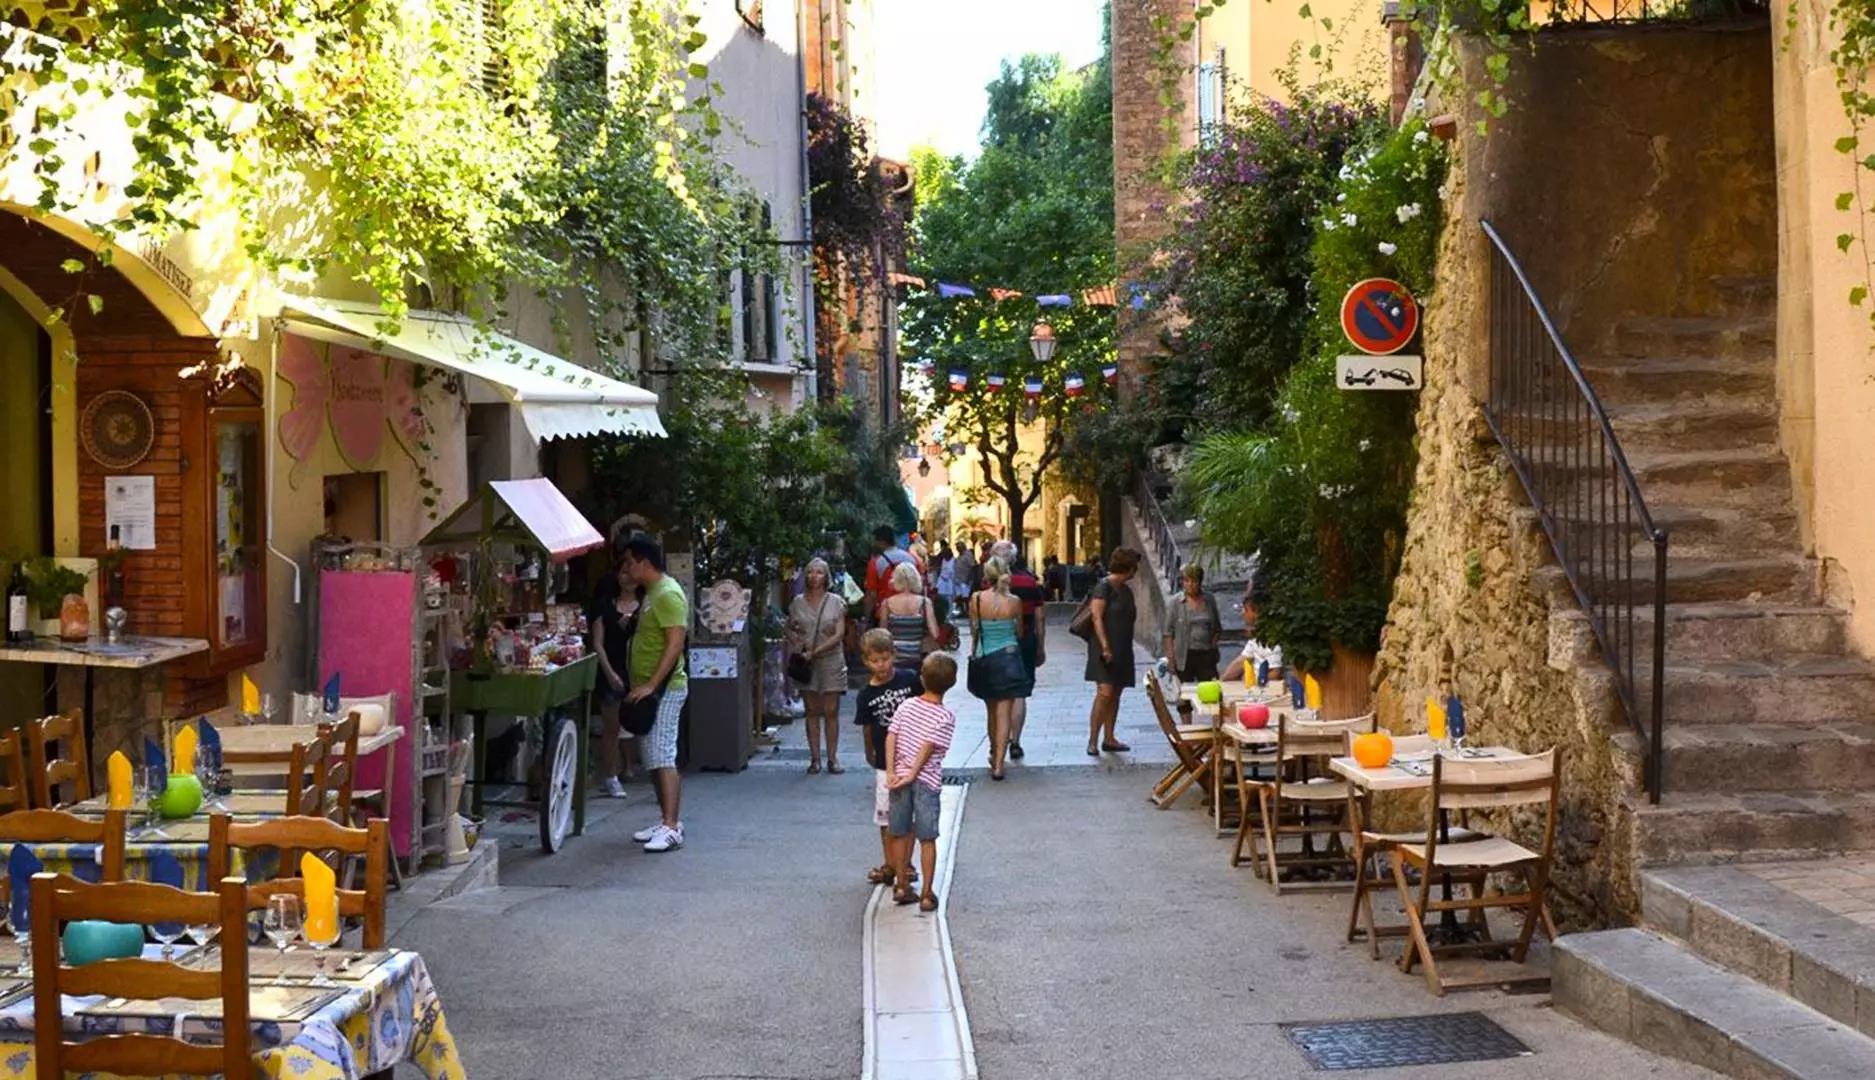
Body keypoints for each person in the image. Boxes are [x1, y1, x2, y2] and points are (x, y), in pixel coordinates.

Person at [621, 536, 690, 853]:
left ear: (643, 562)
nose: (626, 568)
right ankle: (665, 819)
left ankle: (672, 825)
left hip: (665, 689)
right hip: (649, 688)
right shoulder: (653, 593)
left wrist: (652, 684)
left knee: (662, 754)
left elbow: (675, 644)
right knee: (652, 755)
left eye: (629, 562)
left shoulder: (667, 594)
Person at [886, 651, 958, 912]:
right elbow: (929, 746)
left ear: (922, 678)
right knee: (927, 838)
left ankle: (901, 884)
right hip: (926, 781)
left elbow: (891, 736)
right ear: (952, 683)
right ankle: (927, 893)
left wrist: (892, 771)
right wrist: (914, 773)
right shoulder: (945, 717)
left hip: (899, 778)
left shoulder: (906, 706)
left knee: (900, 832)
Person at [855, 628, 921, 890]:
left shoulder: (910, 679)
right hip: (885, 762)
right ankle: (891, 862)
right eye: (875, 660)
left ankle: (906, 863)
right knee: (885, 815)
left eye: (885, 659)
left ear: (894, 655)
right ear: (866, 661)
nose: (881, 665)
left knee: (909, 814)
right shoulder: (866, 695)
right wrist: (869, 751)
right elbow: (867, 726)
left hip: (912, 757)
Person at [968, 556, 1031, 780]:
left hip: (985, 657)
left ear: (987, 575)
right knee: (1004, 713)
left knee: (991, 712)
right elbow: (1019, 632)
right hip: (1009, 658)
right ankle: (999, 765)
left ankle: (994, 752)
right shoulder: (1014, 602)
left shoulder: (976, 599)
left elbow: (974, 630)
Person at [787, 557, 849, 775]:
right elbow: (789, 627)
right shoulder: (797, 602)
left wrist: (816, 650)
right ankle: (815, 759)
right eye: (811, 572)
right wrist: (797, 642)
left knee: (831, 710)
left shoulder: (835, 601)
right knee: (812, 710)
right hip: (807, 660)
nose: (814, 576)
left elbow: (839, 633)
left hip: (831, 658)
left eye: (819, 572)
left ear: (826, 576)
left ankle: (832, 758)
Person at [988, 539, 1046, 761]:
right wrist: (1041, 646)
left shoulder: (987, 586)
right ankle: (1015, 741)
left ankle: (997, 742)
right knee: (1019, 692)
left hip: (996, 642)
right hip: (1025, 640)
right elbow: (1040, 617)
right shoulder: (1029, 582)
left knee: (998, 694)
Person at [590, 559, 644, 798]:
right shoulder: (604, 606)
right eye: (624, 572)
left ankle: (635, 767)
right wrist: (609, 673)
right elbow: (597, 643)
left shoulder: (647, 606)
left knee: (637, 721)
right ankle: (611, 776)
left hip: (638, 669)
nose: (628, 577)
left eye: (632, 572)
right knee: (611, 725)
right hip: (610, 668)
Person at [1083, 547, 1141, 756]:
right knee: (1104, 693)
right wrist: (1105, 646)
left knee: (1115, 693)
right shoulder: (1104, 587)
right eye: (1135, 566)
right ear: (1129, 567)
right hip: (1105, 647)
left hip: (1122, 646)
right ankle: (1092, 740)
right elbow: (1096, 617)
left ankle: (1109, 737)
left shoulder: (1126, 590)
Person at [1163, 563, 1224, 682]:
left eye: (1194, 581)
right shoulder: (1175, 603)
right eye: (1186, 581)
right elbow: (1168, 633)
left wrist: (1212, 647)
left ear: (1200, 582)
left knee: (1208, 686)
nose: (1190, 585)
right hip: (1184, 656)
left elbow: (1217, 628)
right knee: (1185, 689)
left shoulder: (1209, 600)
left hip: (1206, 654)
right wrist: (1171, 659)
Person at [878, 561, 942, 671]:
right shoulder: (924, 602)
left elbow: (883, 635)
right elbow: (935, 634)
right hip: (919, 658)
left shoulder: (887, 604)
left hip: (894, 660)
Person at [1220, 575, 1284, 685]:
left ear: (1256, 612)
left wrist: (1253, 682)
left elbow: (1275, 673)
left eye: (1246, 610)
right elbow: (1242, 661)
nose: (1243, 614)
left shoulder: (1270, 638)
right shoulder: (1255, 637)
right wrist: (1221, 681)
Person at [865, 526, 921, 612]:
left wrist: (866, 617)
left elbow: (872, 594)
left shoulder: (876, 563)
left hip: (886, 612)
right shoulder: (911, 559)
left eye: (876, 541)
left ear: (882, 541)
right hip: (911, 612)